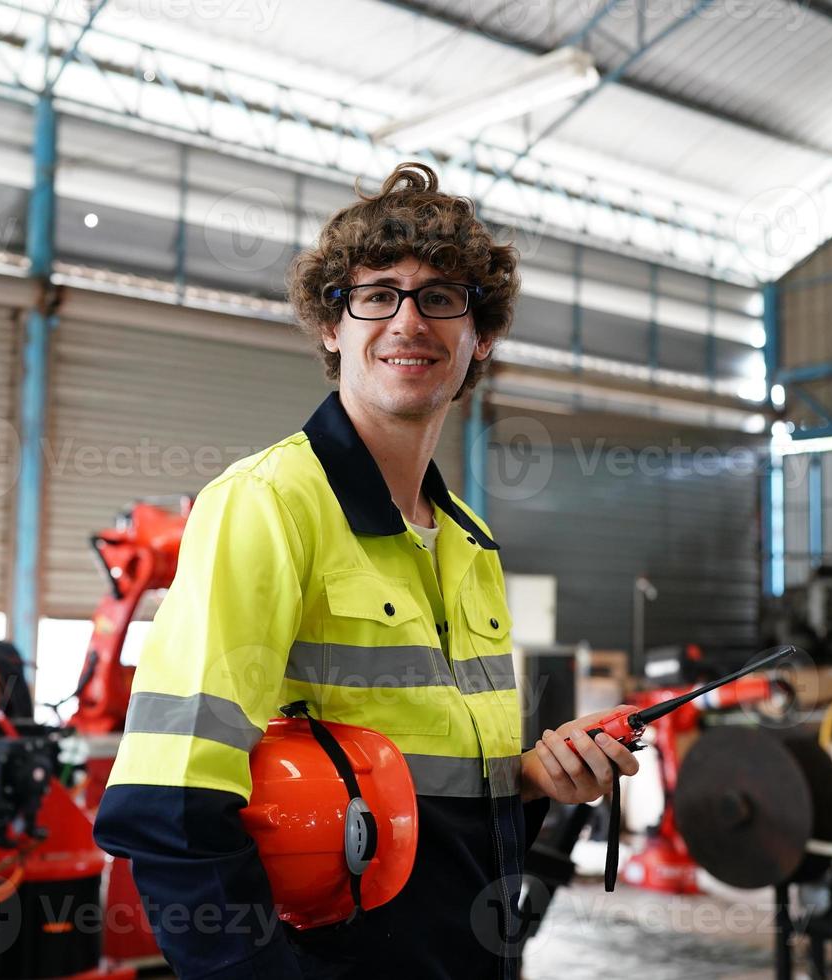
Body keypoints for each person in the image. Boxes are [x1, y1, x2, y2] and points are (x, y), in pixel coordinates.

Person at [93, 162, 639, 979]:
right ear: (331, 325)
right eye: (376, 294)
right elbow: (168, 798)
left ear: (480, 335)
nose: (407, 321)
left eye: (441, 297)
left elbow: (446, 789)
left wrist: (533, 779)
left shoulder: (471, 543)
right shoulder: (267, 504)